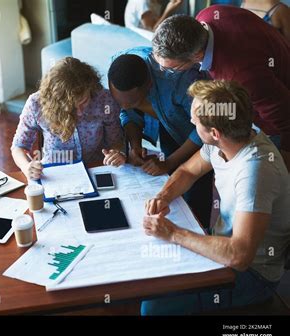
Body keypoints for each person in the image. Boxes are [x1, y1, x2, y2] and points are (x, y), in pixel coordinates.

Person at [141, 80, 290, 315]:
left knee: (153, 308)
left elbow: (239, 255)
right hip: (224, 246)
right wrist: (164, 196)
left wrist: (172, 233)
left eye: (195, 120)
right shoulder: (229, 138)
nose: (191, 122)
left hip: (253, 275)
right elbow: (188, 171)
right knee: (147, 273)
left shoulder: (255, 171)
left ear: (214, 133)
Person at [151, 7, 290, 171]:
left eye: (171, 68)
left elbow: (285, 119)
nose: (162, 71)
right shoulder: (208, 15)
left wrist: (280, 161)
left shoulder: (241, 76)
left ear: (196, 56)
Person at [108, 49, 213, 228]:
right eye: (119, 102)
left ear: (148, 85)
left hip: (200, 131)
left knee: (194, 193)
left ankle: (198, 233)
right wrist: (135, 145)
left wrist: (170, 162)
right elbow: (128, 114)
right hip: (167, 126)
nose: (123, 107)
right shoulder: (118, 68)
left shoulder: (182, 80)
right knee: (166, 186)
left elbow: (204, 128)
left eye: (132, 102)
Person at [11, 57, 125, 180]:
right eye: (71, 108)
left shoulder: (105, 100)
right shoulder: (36, 104)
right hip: (55, 175)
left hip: (96, 169)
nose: (80, 112)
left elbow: (116, 142)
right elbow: (18, 146)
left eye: (84, 102)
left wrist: (117, 154)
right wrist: (26, 167)